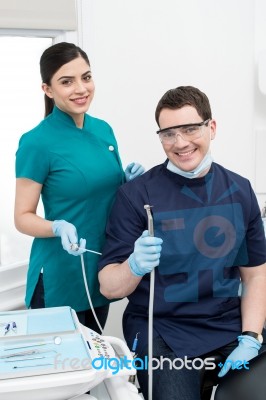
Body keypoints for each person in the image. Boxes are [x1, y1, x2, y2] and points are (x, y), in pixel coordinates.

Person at [98, 86, 266, 400]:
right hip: (163, 328)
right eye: (169, 133)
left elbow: (256, 274)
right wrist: (133, 266)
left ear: (211, 127)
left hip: (228, 323)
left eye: (190, 129)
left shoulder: (240, 191)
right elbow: (109, 287)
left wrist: (251, 337)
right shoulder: (137, 196)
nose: (181, 143)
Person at [14, 42, 144, 333]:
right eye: (66, 81)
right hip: (60, 276)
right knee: (62, 374)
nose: (81, 88)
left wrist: (127, 183)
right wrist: (56, 227)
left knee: (92, 371)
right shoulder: (36, 143)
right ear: (47, 89)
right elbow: (22, 216)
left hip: (101, 268)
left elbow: (100, 193)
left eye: (86, 77)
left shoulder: (103, 130)